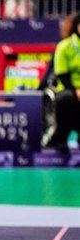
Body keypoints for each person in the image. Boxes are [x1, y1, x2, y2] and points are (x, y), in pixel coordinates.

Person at [43, 12, 80, 153]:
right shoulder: (65, 46)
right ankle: (61, 139)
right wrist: (76, 89)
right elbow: (62, 75)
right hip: (68, 89)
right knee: (66, 99)